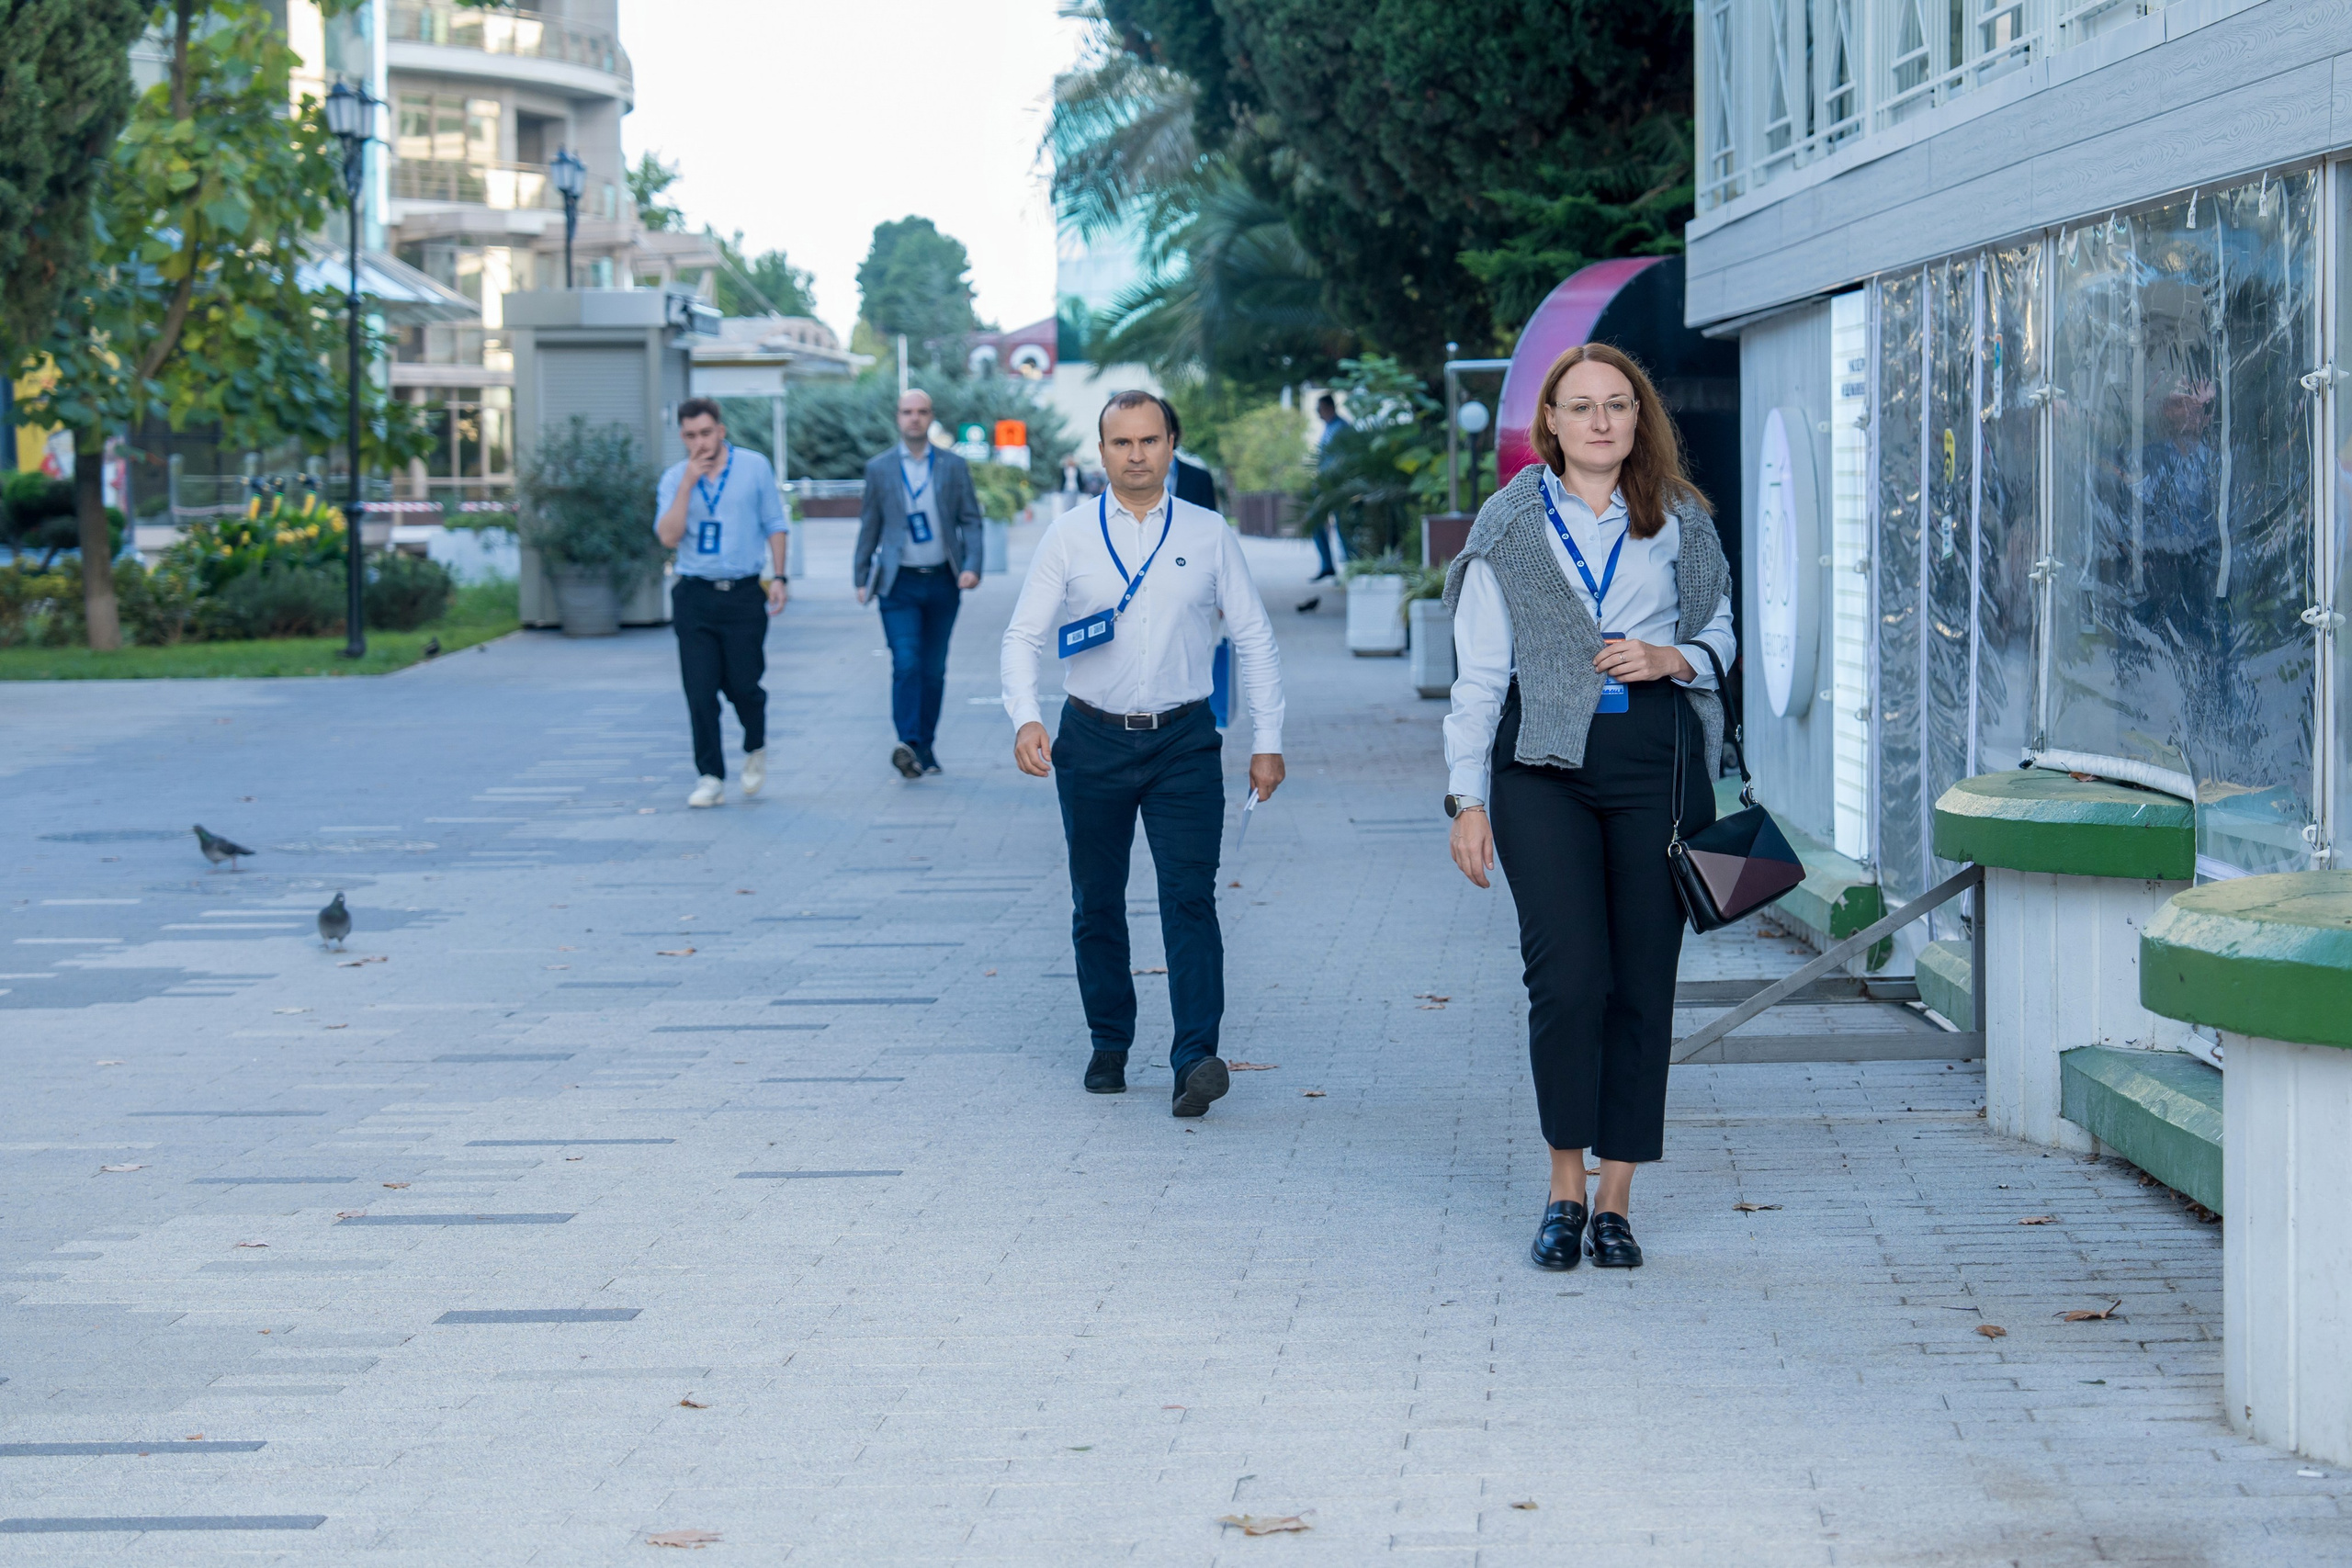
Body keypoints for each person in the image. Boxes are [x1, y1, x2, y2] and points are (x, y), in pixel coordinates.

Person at [1440, 343, 1734, 1271]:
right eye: (1582, 406)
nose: (1602, 421)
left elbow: (1720, 630)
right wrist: (1465, 799)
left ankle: (1616, 1197)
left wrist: (1670, 659)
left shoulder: (1680, 517)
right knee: (1567, 982)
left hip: (1659, 757)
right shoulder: (1510, 521)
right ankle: (1563, 1185)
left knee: (1641, 983)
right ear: (1552, 425)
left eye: (1619, 405)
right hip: (1540, 764)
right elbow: (1479, 675)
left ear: (1638, 420)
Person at [1002, 390, 1284, 1117]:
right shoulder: (1068, 535)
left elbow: (1253, 636)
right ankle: (1109, 1040)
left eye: (1150, 441)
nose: (1136, 455)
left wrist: (1268, 741)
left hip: (1184, 740)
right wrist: (1026, 718)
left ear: (1171, 446)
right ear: (1101, 452)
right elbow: (1023, 637)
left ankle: (1196, 1056)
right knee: (1097, 900)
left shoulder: (1208, 530)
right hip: (1090, 738)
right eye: (1121, 443)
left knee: (1188, 897)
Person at [653, 397, 789, 808]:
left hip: (745, 592)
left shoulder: (754, 467)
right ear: (683, 437)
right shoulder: (676, 478)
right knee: (700, 689)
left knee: (743, 685)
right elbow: (668, 537)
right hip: (695, 594)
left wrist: (779, 577)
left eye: (707, 433)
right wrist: (687, 485)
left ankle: (755, 744)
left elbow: (775, 523)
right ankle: (710, 774)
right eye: (691, 435)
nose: (701, 442)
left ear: (721, 431)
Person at [855, 388, 984, 778]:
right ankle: (908, 743)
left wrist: (972, 565)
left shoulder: (952, 466)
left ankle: (925, 747)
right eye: (907, 412)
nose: (914, 418)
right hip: (897, 584)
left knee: (933, 669)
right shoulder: (879, 469)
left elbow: (971, 520)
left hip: (944, 581)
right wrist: (861, 576)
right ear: (898, 417)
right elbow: (869, 525)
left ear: (931, 418)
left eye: (922, 411)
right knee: (906, 661)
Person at [1310, 392, 1351, 581]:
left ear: (1328, 408)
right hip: (1326, 485)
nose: (1317, 413)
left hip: (1338, 486)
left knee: (1343, 526)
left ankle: (1351, 567)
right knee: (1316, 521)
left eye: (1319, 409)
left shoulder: (1341, 428)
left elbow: (1343, 460)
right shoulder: (1328, 428)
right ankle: (1327, 565)